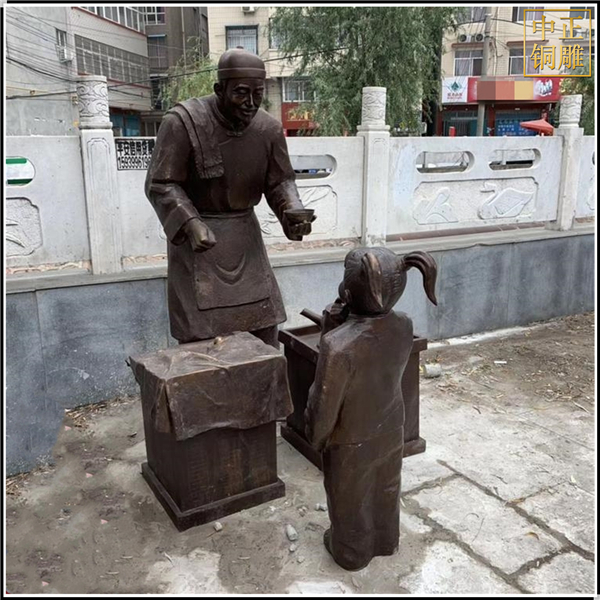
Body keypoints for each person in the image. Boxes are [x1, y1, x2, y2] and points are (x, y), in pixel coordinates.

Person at [145, 49, 314, 348]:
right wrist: (190, 222)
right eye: (240, 93)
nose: (250, 103)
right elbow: (161, 183)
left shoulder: (268, 129)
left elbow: (280, 181)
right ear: (219, 89)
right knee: (202, 343)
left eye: (258, 94)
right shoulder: (183, 122)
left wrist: (293, 211)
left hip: (245, 240)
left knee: (264, 329)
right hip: (199, 243)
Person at [304, 248, 437, 571]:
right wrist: (337, 327)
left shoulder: (338, 346)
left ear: (349, 292)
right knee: (386, 487)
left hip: (351, 438)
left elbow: (324, 404)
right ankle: (386, 540)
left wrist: (316, 437)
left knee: (350, 498)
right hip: (391, 427)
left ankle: (352, 553)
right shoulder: (404, 325)